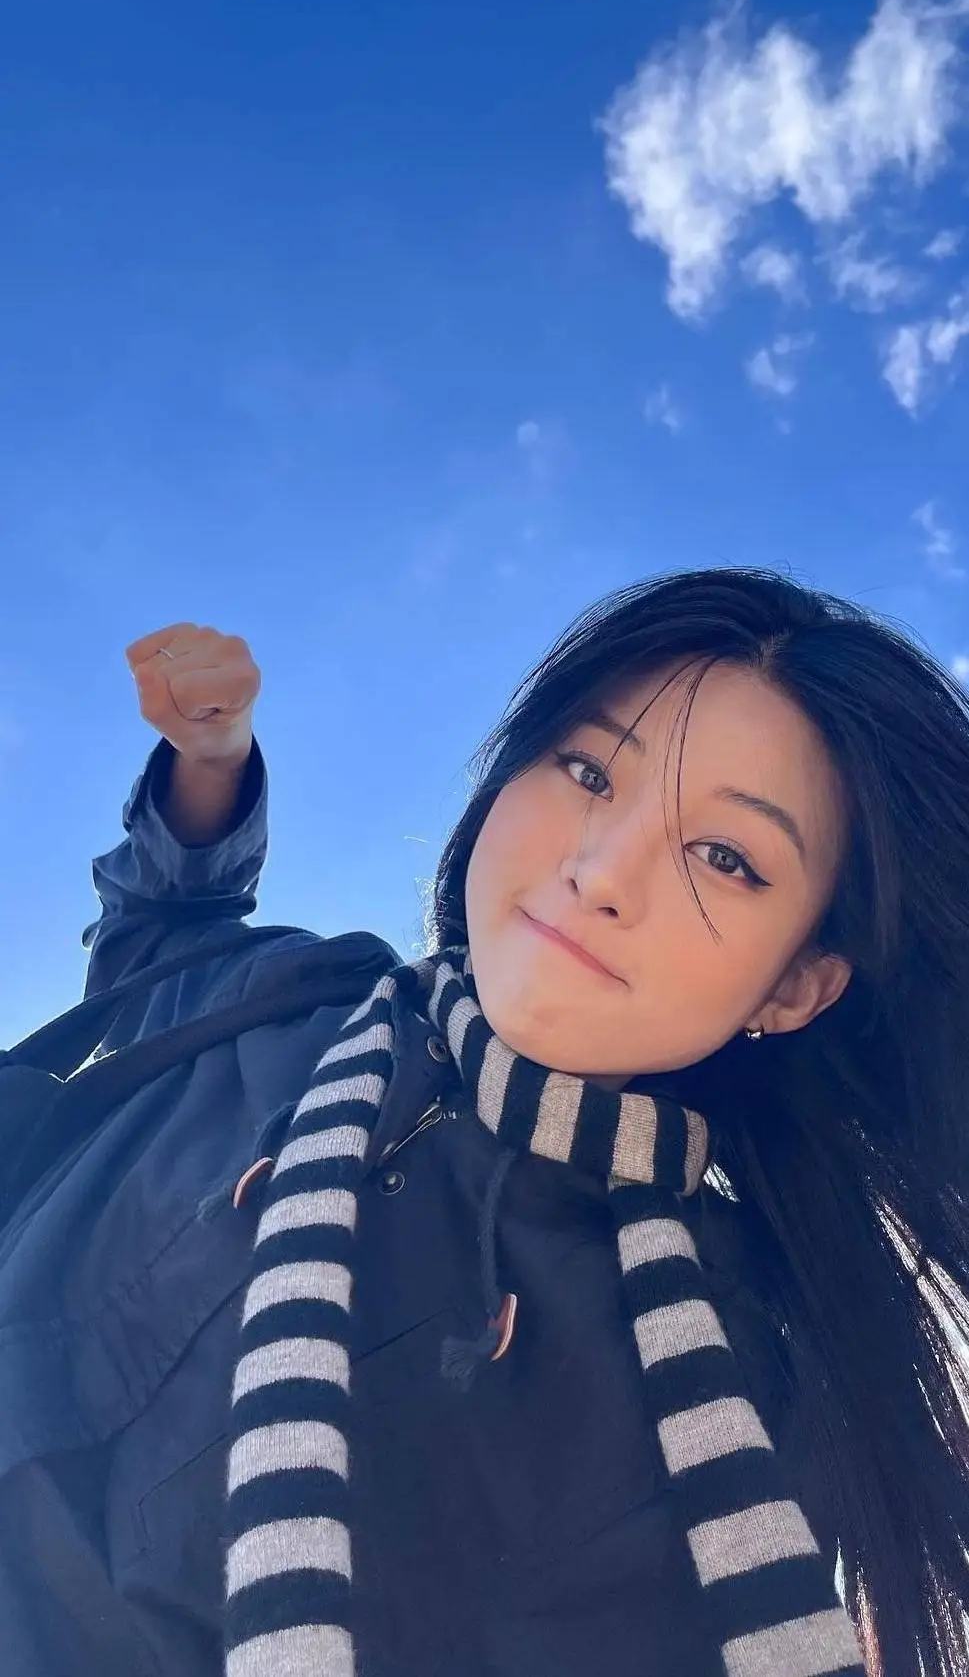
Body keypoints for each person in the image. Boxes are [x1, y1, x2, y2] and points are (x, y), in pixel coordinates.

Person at [2, 568, 968, 1677]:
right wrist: (210, 764)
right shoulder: (298, 995)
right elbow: (159, 932)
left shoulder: (731, 1401)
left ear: (794, 986)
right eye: (589, 770)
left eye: (726, 857)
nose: (599, 872)